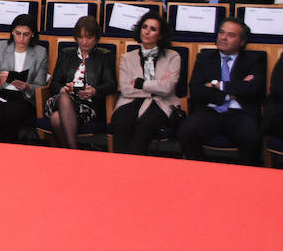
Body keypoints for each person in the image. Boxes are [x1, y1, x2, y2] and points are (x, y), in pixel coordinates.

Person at [178, 18, 265, 165]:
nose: (223, 38)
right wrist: (234, 90)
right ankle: (199, 172)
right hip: (210, 111)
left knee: (252, 137)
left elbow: (252, 89)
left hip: (240, 113)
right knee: (185, 132)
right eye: (221, 33)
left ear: (242, 42)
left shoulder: (254, 60)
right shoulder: (204, 58)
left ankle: (247, 180)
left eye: (231, 35)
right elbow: (196, 90)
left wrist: (217, 84)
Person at [110, 12, 181, 155]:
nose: (147, 31)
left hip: (161, 102)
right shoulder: (127, 57)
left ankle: (135, 170)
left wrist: (141, 84)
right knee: (121, 123)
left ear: (160, 35)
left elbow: (167, 89)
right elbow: (126, 89)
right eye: (144, 27)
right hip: (130, 101)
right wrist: (156, 86)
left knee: (145, 126)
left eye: (153, 29)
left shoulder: (173, 57)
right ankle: (118, 168)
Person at [0, 14, 48, 142]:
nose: (21, 38)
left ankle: (6, 156)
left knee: (11, 115)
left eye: (26, 34)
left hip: (22, 97)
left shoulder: (40, 52)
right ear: (12, 32)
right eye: (17, 33)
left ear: (33, 34)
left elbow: (40, 86)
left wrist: (28, 87)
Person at [44, 16, 117, 149]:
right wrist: (63, 89)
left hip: (87, 106)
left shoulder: (104, 56)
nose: (84, 42)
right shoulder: (66, 54)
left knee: (56, 118)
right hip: (60, 100)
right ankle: (75, 150)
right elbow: (54, 84)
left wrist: (94, 91)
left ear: (96, 38)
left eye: (89, 38)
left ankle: (68, 153)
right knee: (64, 98)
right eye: (80, 37)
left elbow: (111, 84)